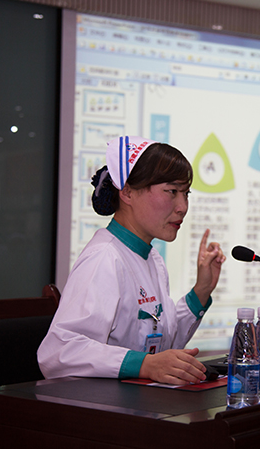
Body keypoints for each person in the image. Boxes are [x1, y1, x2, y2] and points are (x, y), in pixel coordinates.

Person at [38, 136, 226, 385]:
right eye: (172, 191)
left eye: (186, 193)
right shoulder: (104, 258)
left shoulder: (152, 258)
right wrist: (144, 365)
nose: (182, 207)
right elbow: (59, 352)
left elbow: (161, 347)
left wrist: (201, 291)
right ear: (127, 192)